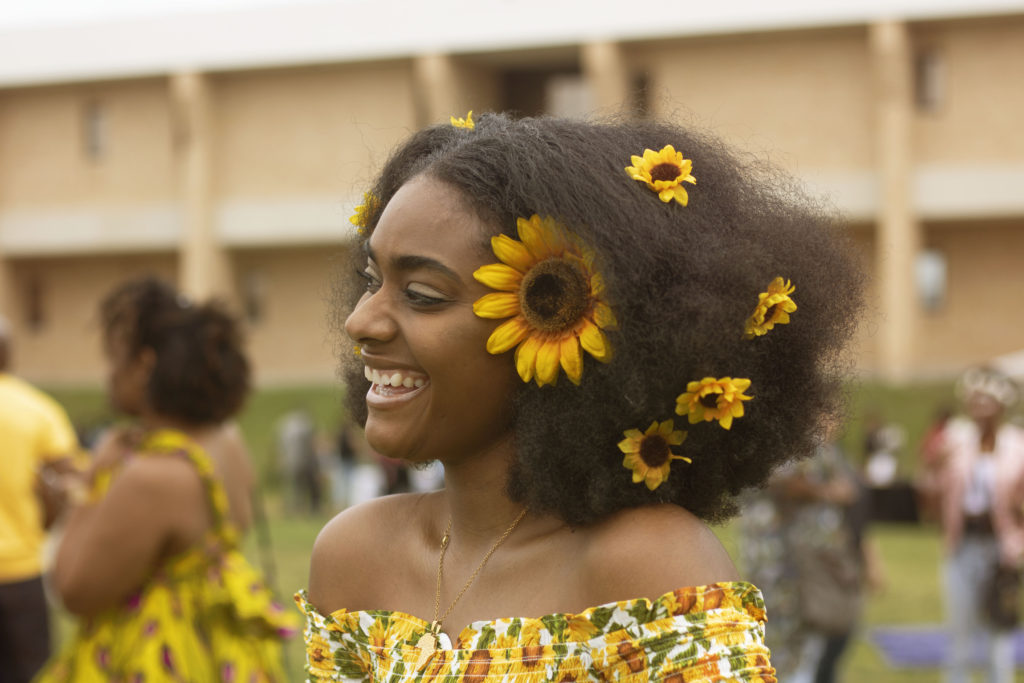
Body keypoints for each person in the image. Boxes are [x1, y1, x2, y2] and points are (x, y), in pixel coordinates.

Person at [299, 113, 864, 681]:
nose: (360, 321)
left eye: (421, 294)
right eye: (372, 280)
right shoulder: (352, 557)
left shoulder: (649, 570)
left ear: (559, 315)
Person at [34, 277, 296, 682]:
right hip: (216, 652)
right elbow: (233, 527)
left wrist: (91, 485)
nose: (108, 374)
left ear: (144, 365)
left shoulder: (153, 477)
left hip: (160, 658)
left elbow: (74, 590)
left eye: (113, 357)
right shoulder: (226, 441)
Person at [0, 315, 80, 683]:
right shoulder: (37, 410)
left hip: (23, 569)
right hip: (22, 570)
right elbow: (71, 482)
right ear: (9, 353)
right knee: (33, 673)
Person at [939, 366, 1024, 683]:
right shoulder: (959, 443)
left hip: (1001, 548)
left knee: (998, 631)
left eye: (986, 400)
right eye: (974, 400)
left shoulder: (1018, 445)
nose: (979, 407)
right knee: (959, 630)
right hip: (963, 545)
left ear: (1001, 405)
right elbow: (939, 488)